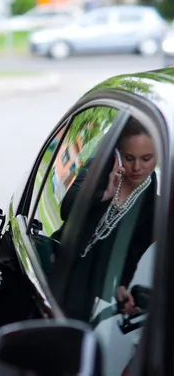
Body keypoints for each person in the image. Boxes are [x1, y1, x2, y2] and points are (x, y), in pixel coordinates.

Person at [51, 117, 157, 321]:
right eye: (129, 157)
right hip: (58, 267)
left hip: (88, 292)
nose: (137, 167)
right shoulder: (100, 167)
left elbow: (133, 253)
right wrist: (103, 193)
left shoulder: (152, 201)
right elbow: (67, 208)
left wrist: (122, 286)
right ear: (118, 152)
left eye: (146, 158)